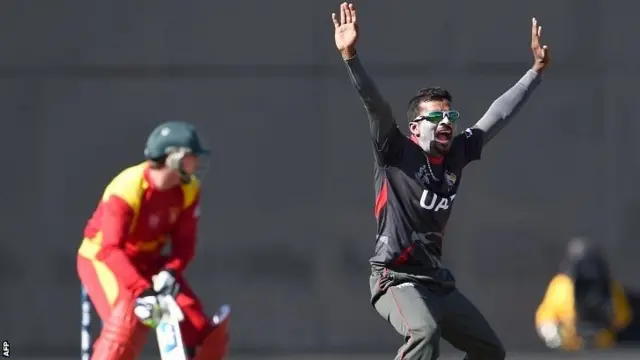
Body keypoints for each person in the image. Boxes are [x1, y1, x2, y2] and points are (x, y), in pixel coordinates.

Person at [331, 3, 549, 359]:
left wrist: (536, 72)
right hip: (395, 278)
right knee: (424, 332)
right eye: (436, 116)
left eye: (450, 115)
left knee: (490, 351)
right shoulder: (396, 151)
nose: (446, 121)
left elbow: (498, 115)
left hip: (435, 281)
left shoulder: (456, 154)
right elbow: (376, 106)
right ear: (415, 128)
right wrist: (350, 56)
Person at [76, 121, 229, 360]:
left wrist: (170, 271)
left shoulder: (188, 190)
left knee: (200, 330)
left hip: (151, 262)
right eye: (191, 157)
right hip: (103, 260)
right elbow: (110, 249)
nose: (196, 163)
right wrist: (142, 290)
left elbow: (185, 245)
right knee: (127, 320)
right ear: (173, 158)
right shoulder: (128, 187)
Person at [536, 237, 640, 350]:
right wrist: (552, 333)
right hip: (570, 350)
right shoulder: (561, 286)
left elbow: (622, 318)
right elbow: (545, 316)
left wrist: (605, 322)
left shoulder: (612, 288)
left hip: (603, 349)